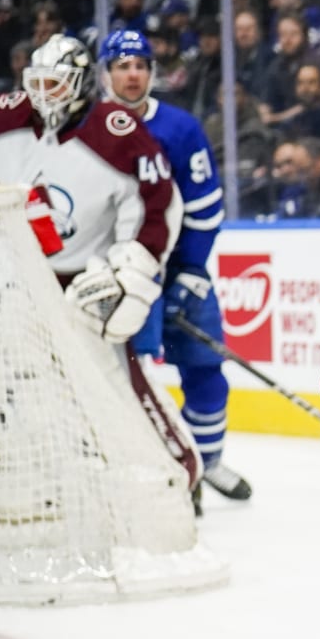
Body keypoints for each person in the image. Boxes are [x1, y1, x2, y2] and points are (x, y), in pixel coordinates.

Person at [0, 36, 194, 476]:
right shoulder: (7, 117)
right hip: (22, 275)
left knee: (119, 378)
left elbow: (159, 204)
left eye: (56, 85)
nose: (43, 95)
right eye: (37, 83)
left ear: (79, 85)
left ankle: (177, 469)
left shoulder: (115, 131)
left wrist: (132, 270)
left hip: (87, 282)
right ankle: (0, 463)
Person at [99, 29, 253, 504]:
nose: (132, 74)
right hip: (117, 277)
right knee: (126, 375)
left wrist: (188, 270)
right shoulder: (88, 128)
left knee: (206, 367)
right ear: (106, 73)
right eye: (123, 65)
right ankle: (150, 468)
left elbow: (205, 211)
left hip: (178, 268)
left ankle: (206, 465)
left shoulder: (181, 128)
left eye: (141, 64)